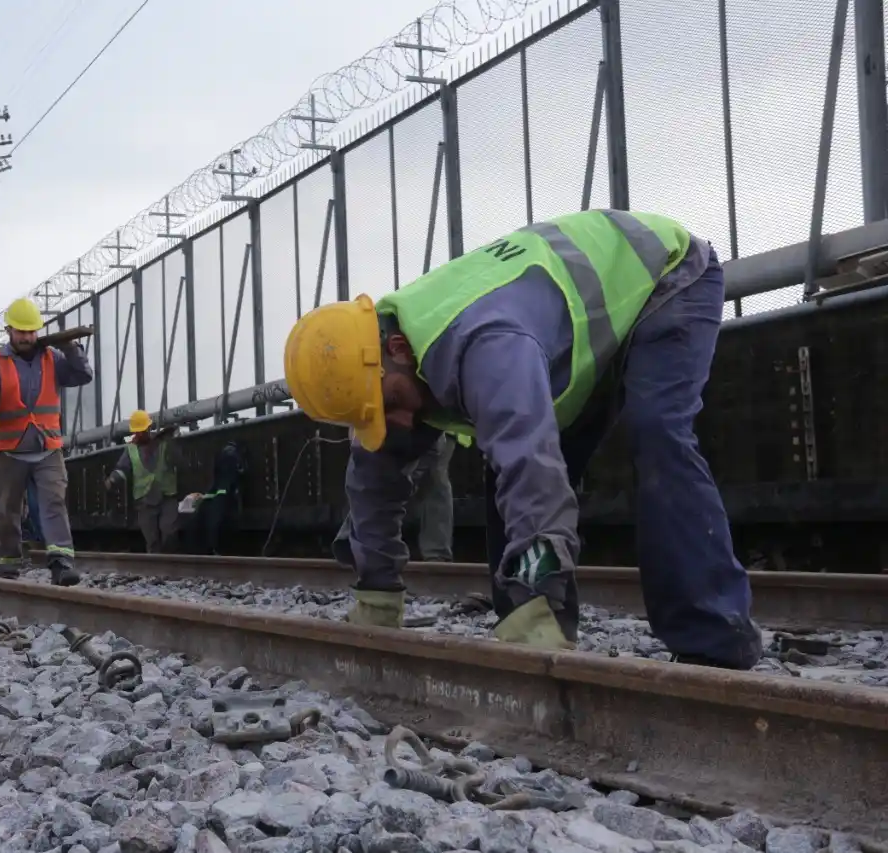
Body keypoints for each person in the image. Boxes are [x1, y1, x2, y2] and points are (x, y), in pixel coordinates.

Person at [283, 209, 763, 671]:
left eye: (394, 401)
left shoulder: (487, 346)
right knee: (504, 460)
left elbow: (530, 464)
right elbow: (372, 479)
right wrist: (377, 593)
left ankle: (714, 637)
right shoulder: (374, 369)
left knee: (656, 432)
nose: (402, 421)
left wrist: (541, 593)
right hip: (568, 325)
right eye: (378, 415)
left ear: (397, 350)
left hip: (665, 278)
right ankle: (527, 615)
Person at [0, 297, 93, 583]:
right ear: (10, 331)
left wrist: (70, 347)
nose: (27, 337)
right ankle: (7, 562)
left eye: (32, 331)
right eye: (21, 332)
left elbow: (82, 375)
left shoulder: (53, 358)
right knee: (7, 509)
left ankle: (61, 562)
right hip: (10, 450)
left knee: (54, 502)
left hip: (47, 447)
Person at [106, 410, 182, 553]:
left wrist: (171, 441)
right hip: (145, 501)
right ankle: (155, 569)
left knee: (169, 530)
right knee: (151, 539)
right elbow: (123, 468)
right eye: (137, 431)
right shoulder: (131, 449)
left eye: (142, 430)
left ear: (149, 428)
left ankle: (171, 565)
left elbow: (177, 460)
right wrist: (112, 479)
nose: (140, 434)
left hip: (167, 496)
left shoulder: (162, 444)